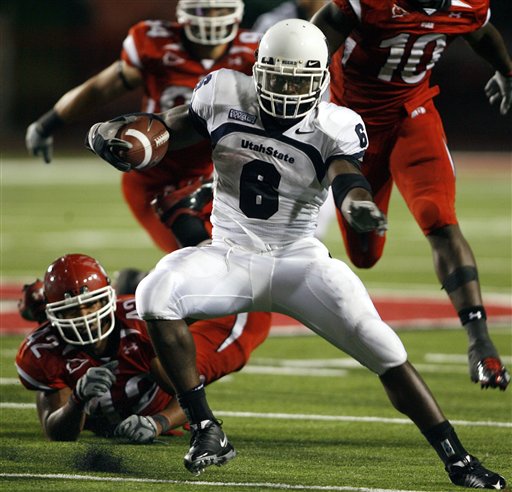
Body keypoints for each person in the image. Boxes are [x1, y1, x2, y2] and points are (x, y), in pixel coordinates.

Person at [86, 19, 506, 488]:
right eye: (277, 77)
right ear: (258, 71)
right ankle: (205, 426)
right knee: (154, 293)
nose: (285, 91)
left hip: (298, 263)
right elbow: (167, 129)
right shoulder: (225, 93)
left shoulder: (335, 123)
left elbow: (347, 177)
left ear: (320, 80)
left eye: (296, 80)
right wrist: (118, 134)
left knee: (384, 347)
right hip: (230, 254)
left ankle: (457, 458)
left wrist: (358, 205)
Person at [310, 0, 510, 391]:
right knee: (365, 254)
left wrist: (507, 70)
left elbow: (482, 32)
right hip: (350, 124)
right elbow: (312, 43)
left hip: (412, 114)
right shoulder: (368, 4)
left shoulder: (465, 4)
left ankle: (480, 341)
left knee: (438, 216)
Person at [25, 0, 260, 254]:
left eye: (220, 9)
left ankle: (134, 282)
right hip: (154, 177)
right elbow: (101, 88)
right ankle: (136, 284)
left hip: (216, 178)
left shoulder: (253, 52)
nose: (212, 18)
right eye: (203, 9)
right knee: (196, 258)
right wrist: (47, 123)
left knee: (232, 259)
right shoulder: (154, 43)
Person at [15, 254, 271, 443]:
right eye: (71, 309)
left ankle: (150, 280)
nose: (85, 318)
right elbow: (57, 433)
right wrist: (77, 400)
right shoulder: (43, 352)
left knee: (240, 332)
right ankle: (138, 283)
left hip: (159, 380)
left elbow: (190, 396)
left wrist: (159, 422)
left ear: (107, 298)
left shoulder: (138, 327)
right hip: (119, 397)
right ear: (53, 314)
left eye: (91, 305)